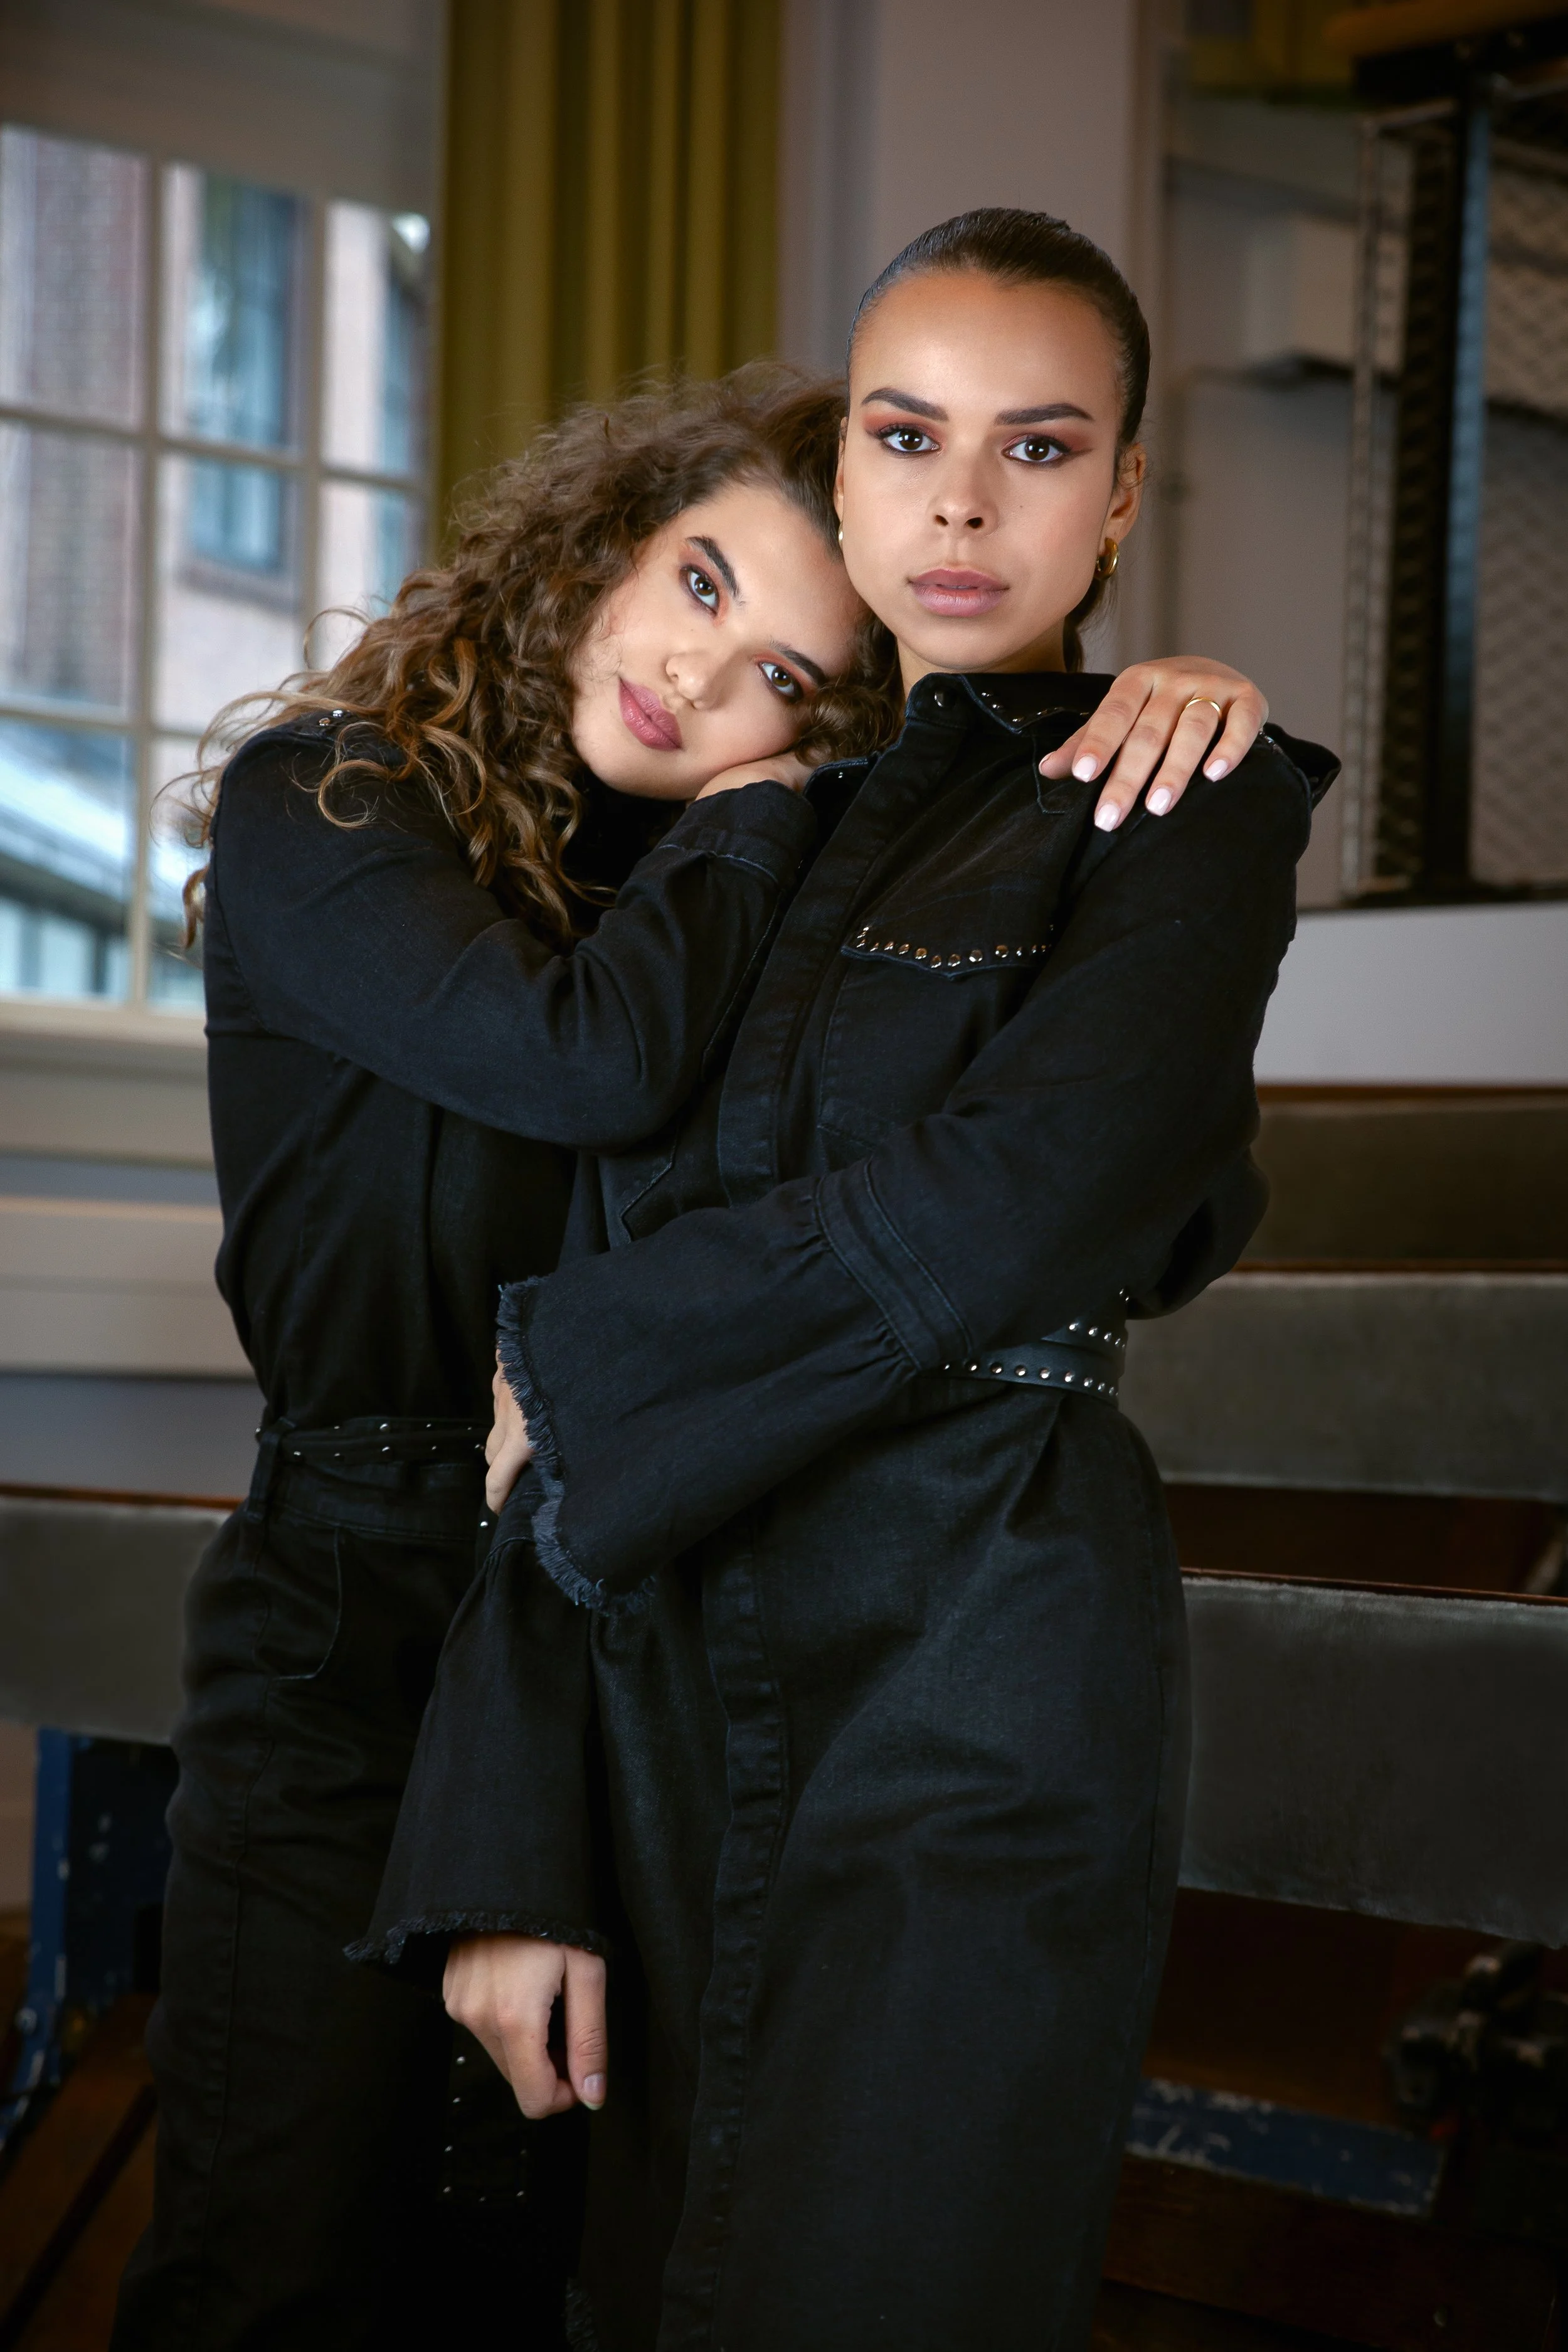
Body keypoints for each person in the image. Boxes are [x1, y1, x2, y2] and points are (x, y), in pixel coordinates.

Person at [114, 359, 1266, 2352]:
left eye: (793, 686)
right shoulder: (329, 801)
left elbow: (1143, 1182)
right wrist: (760, 809)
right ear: (608, 540)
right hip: (337, 1609)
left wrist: (1149, 722)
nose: (702, 676)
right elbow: (576, 1063)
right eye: (704, 579)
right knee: (271, 2261)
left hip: (586, 1608)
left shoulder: (724, 904)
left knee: (515, 2273)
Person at [360, 214, 1338, 2352]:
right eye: (905, 436)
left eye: (1037, 446)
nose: (963, 503)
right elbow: (591, 1260)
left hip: (973, 1660)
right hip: (653, 1682)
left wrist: (580, 1361)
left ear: (1121, 491)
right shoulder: (749, 813)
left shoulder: (1183, 798)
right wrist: (512, 1845)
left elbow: (1028, 1194)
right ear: (846, 473)